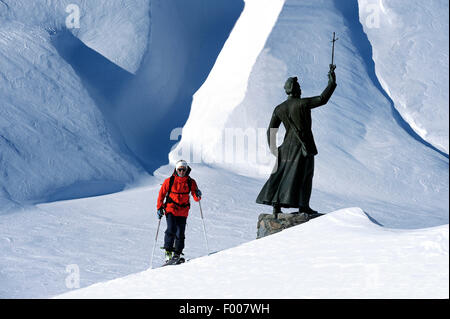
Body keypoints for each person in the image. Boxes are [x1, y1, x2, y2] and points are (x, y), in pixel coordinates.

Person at [256, 64, 337, 217]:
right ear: (295, 89)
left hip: (285, 147)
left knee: (281, 174)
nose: (301, 89)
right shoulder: (302, 104)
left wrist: (274, 149)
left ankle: (276, 205)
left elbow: (270, 130)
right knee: (305, 176)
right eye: (299, 86)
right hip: (302, 146)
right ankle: (304, 206)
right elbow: (322, 99)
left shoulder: (279, 108)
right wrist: (331, 83)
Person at [156, 160, 202, 263]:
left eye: (183, 169)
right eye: (179, 169)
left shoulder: (191, 182)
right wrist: (159, 207)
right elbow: (161, 194)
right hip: (171, 208)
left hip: (183, 211)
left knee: (180, 232)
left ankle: (177, 253)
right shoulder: (169, 181)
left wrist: (198, 194)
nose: (181, 171)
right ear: (176, 170)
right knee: (171, 228)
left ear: (186, 170)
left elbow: (196, 197)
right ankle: (168, 253)